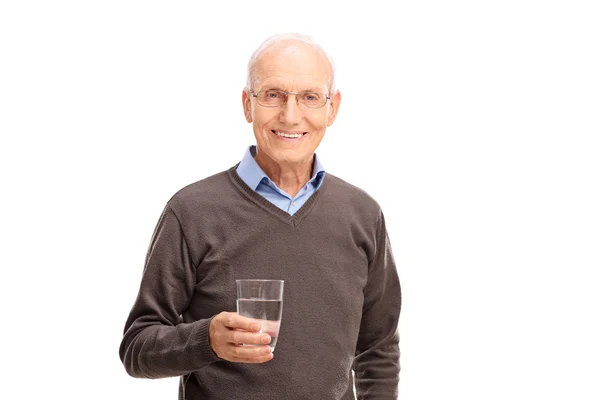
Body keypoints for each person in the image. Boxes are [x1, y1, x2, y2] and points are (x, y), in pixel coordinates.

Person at [119, 32, 401, 400]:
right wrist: (207, 340)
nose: (290, 115)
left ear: (332, 108)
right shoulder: (191, 211)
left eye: (310, 98)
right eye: (273, 95)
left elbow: (378, 349)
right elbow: (137, 349)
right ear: (247, 104)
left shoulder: (362, 213)